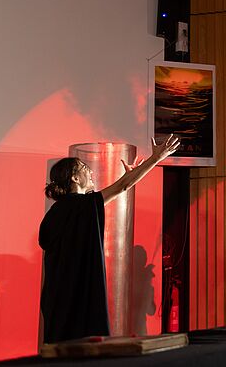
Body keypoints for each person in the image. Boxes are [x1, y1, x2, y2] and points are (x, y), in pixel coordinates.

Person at [39, 134, 180, 343]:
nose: (91, 172)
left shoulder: (56, 212)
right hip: (76, 302)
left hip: (56, 299)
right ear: (74, 178)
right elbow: (122, 186)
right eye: (84, 169)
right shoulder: (81, 206)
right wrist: (155, 159)